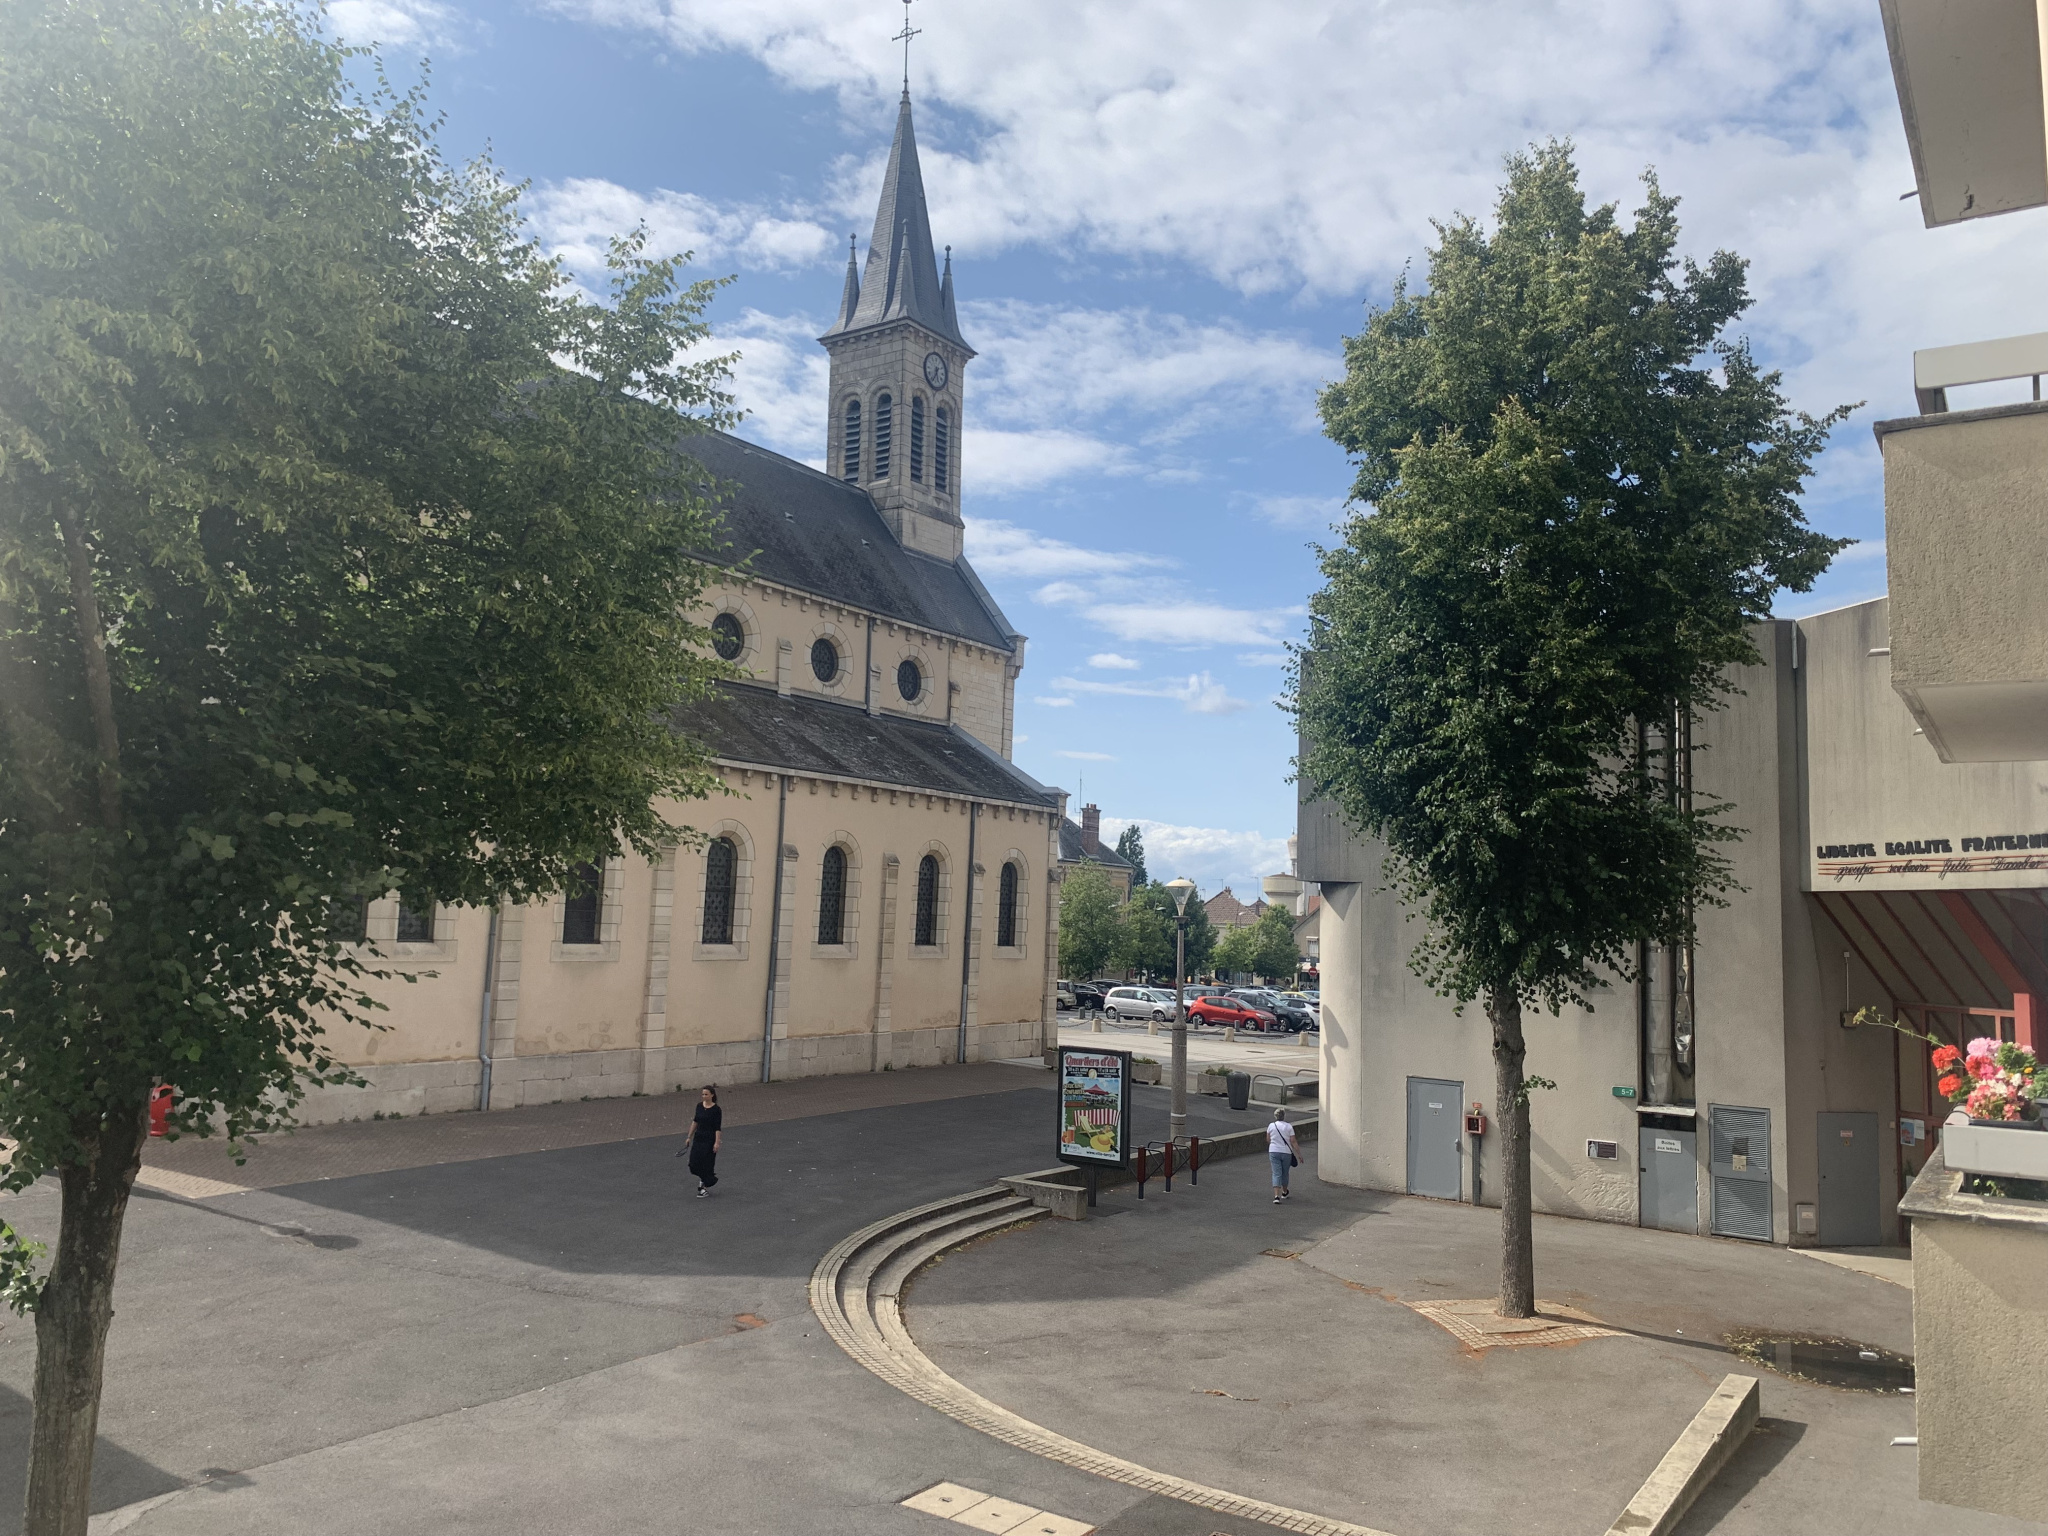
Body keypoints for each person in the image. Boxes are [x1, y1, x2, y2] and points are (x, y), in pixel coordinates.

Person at [683, 1085, 722, 1197]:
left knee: (706, 1163)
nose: (704, 1096)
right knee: (693, 1164)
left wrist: (717, 1142)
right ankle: (707, 1179)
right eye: (703, 1094)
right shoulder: (699, 1106)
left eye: (706, 1094)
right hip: (699, 1138)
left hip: (709, 1140)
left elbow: (717, 1128)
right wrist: (689, 1136)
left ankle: (703, 1187)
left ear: (712, 1095)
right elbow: (695, 1121)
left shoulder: (716, 1110)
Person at [1267, 1107, 1299, 1203]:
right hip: (1286, 1152)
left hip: (1273, 1151)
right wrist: (1299, 1154)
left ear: (1275, 1116)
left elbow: (1268, 1139)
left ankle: (1276, 1196)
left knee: (1276, 1173)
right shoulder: (1289, 1127)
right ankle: (1284, 1192)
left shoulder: (1271, 1126)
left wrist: (1274, 1145)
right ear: (1284, 1116)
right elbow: (1293, 1141)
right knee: (1285, 1173)